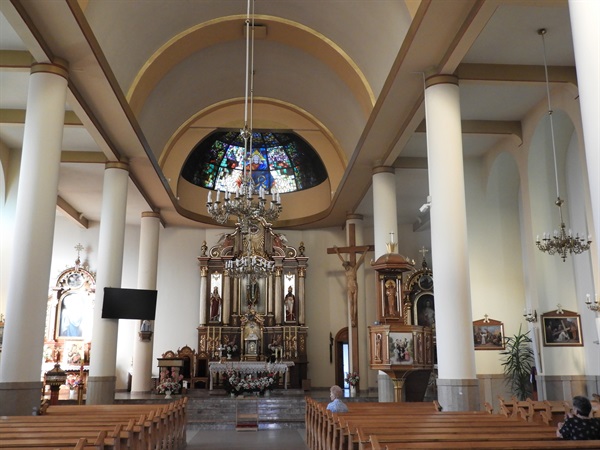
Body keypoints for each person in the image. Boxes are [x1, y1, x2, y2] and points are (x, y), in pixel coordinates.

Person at [334, 246, 368, 327]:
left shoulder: (354, 269)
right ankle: (352, 319)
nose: (345, 268)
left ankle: (354, 319)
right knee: (351, 303)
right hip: (349, 287)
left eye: (346, 266)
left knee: (355, 303)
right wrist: (337, 251)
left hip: (354, 286)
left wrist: (365, 250)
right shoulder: (346, 270)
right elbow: (341, 259)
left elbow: (360, 259)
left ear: (348, 265)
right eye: (344, 267)